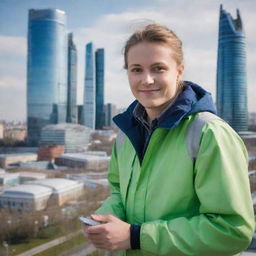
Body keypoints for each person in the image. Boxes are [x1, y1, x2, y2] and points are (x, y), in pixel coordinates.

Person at [84, 23, 255, 256]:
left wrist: (136, 236)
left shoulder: (209, 133)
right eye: (136, 69)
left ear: (179, 70)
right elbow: (118, 191)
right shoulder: (126, 133)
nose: (146, 79)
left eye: (158, 68)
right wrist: (106, 217)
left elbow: (232, 230)